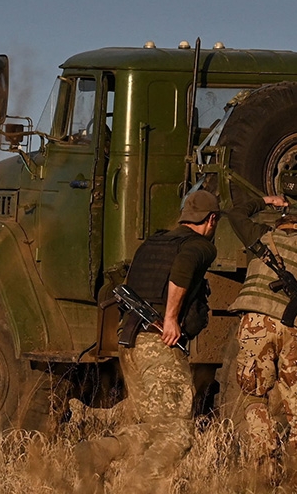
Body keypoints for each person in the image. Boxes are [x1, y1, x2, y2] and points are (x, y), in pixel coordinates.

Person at [75, 189, 223, 492]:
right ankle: (137, 487)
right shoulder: (200, 246)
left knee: (155, 428)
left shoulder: (153, 243)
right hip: (158, 344)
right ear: (211, 220)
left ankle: (99, 453)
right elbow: (182, 270)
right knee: (178, 435)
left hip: (130, 343)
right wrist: (170, 318)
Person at [224, 196, 297, 482]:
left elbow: (236, 213)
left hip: (257, 322)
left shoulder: (265, 238)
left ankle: (264, 469)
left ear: (281, 226)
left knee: (254, 396)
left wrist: (263, 200)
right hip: (295, 328)